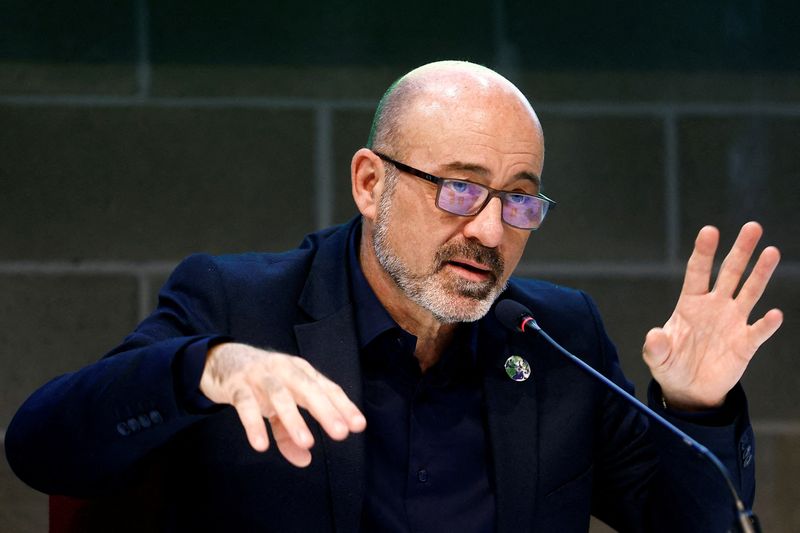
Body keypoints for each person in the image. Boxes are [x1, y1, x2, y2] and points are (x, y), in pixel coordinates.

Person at [4, 61, 783, 532]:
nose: (489, 229)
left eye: (519, 198)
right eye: (458, 188)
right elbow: (42, 447)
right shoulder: (240, 306)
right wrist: (202, 367)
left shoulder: (554, 335)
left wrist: (697, 411)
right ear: (371, 183)